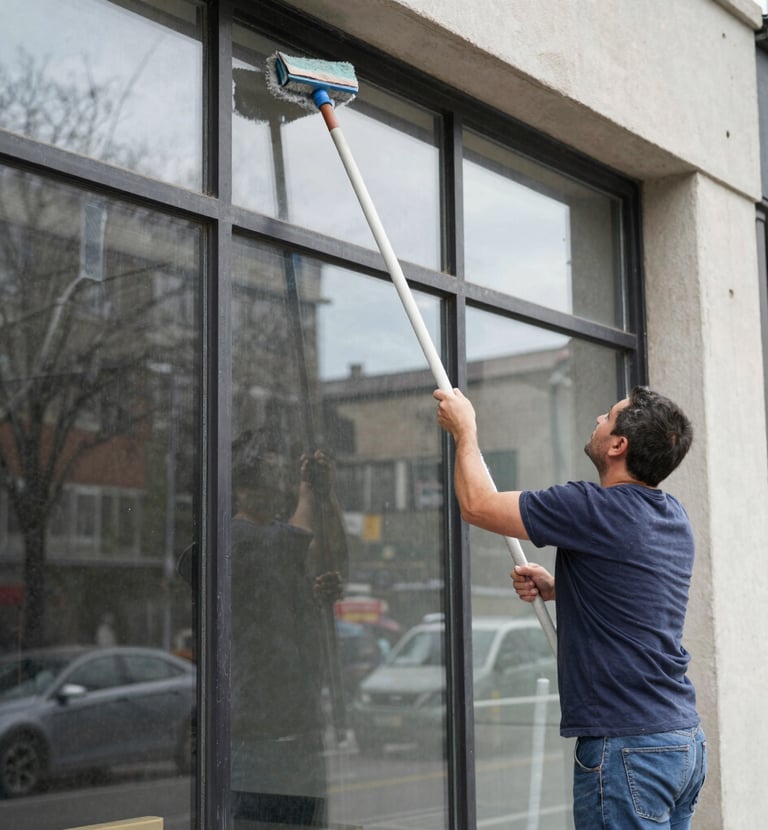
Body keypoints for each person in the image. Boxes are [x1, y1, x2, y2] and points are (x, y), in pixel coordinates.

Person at [434, 384, 707, 830]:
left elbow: (478, 506)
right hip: (681, 742)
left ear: (619, 445)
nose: (598, 417)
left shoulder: (591, 508)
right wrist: (563, 587)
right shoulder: (672, 515)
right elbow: (640, 593)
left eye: (608, 416)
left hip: (628, 748)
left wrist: (466, 431)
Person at [229, 432, 348, 828]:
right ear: (242, 489)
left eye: (282, 476)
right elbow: (303, 542)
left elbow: (330, 557)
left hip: (296, 735)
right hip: (257, 741)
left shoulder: (280, 543)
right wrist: (312, 491)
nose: (278, 485)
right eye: (271, 476)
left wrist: (322, 495)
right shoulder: (237, 540)